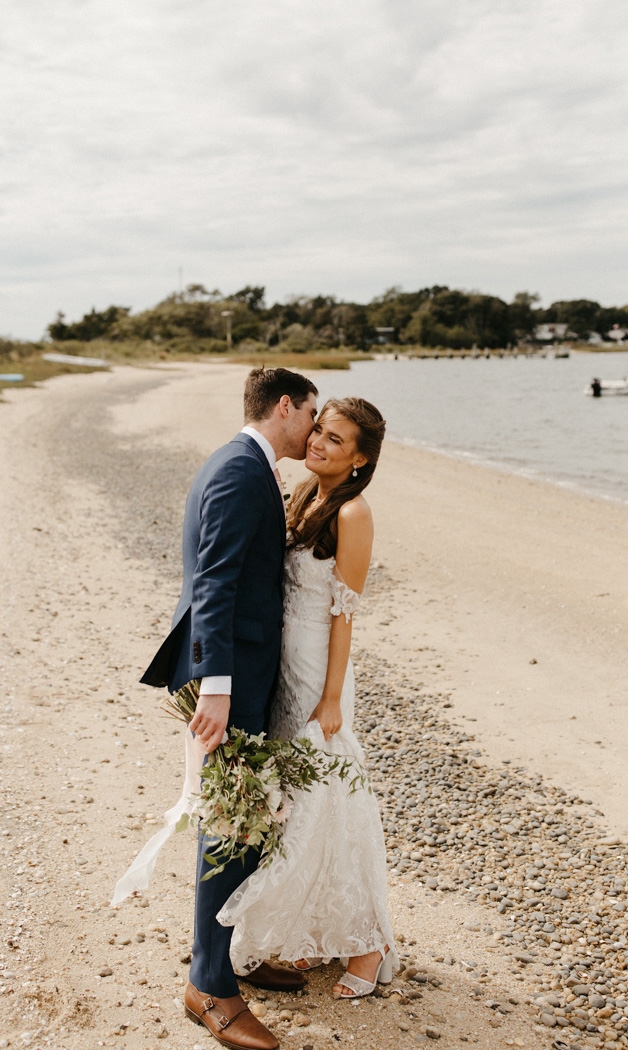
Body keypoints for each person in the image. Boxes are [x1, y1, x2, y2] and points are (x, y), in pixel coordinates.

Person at [139, 367, 318, 1050]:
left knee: (253, 818)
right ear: (284, 407)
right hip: (229, 678)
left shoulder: (246, 463)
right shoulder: (242, 472)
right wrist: (217, 685)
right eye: (310, 412)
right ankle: (209, 988)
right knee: (231, 824)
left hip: (243, 670)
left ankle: (235, 953)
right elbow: (211, 581)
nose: (313, 425)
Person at [217, 397, 397, 1000]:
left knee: (335, 795)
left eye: (335, 440)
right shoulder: (303, 494)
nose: (318, 442)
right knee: (298, 800)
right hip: (286, 668)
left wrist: (331, 698)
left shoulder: (354, 513)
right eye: (318, 430)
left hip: (321, 668)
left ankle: (369, 946)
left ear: (359, 460)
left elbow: (346, 615)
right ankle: (318, 922)